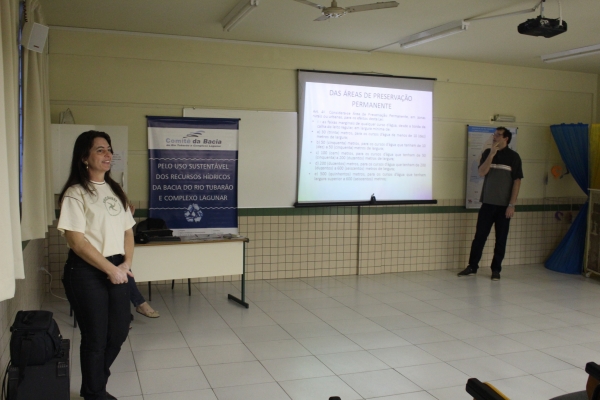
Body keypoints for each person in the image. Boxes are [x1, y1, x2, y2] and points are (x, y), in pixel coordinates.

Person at [58, 130, 135, 400]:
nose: (108, 154)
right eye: (100, 150)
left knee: (119, 329)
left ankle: (95, 381)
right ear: (84, 158)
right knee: (95, 337)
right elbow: (77, 242)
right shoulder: (75, 193)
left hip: (116, 265)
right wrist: (110, 269)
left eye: (109, 149)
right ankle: (94, 392)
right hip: (86, 270)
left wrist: (126, 263)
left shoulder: (115, 190)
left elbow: (128, 231)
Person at [457, 127, 523, 281]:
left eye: (498, 135)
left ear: (506, 138)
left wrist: (511, 205)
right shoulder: (488, 153)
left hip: (504, 206)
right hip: (487, 204)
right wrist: (492, 154)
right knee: (479, 236)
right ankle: (472, 266)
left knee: (501, 239)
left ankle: (496, 270)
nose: (495, 137)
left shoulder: (514, 157)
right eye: (494, 134)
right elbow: (481, 172)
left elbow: (517, 181)